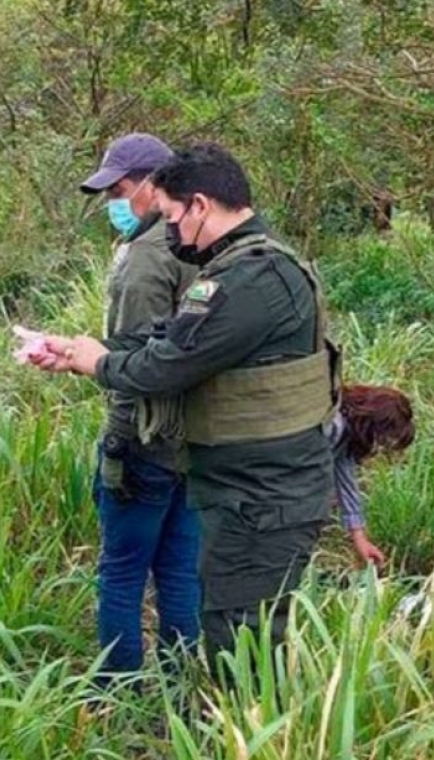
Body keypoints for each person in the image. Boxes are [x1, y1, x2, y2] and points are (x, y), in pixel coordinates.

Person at [34, 143, 339, 669]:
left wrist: (100, 364)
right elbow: (169, 339)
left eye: (173, 216)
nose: (170, 230)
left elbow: (168, 365)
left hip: (262, 497)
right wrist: (85, 351)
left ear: (200, 205)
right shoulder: (251, 266)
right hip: (253, 488)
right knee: (228, 619)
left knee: (243, 642)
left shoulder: (247, 279)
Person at [78, 134, 201, 677]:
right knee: (180, 571)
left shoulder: (146, 259)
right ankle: (181, 688)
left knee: (122, 574)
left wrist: (119, 439)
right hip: (195, 439)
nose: (117, 203)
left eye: (123, 189)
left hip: (144, 439)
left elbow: (137, 361)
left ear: (155, 186)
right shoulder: (200, 243)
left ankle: (116, 695)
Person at [327, 385, 415, 566]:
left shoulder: (344, 427)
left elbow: (345, 478)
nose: (377, 446)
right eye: (381, 439)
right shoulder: (332, 427)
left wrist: (359, 537)